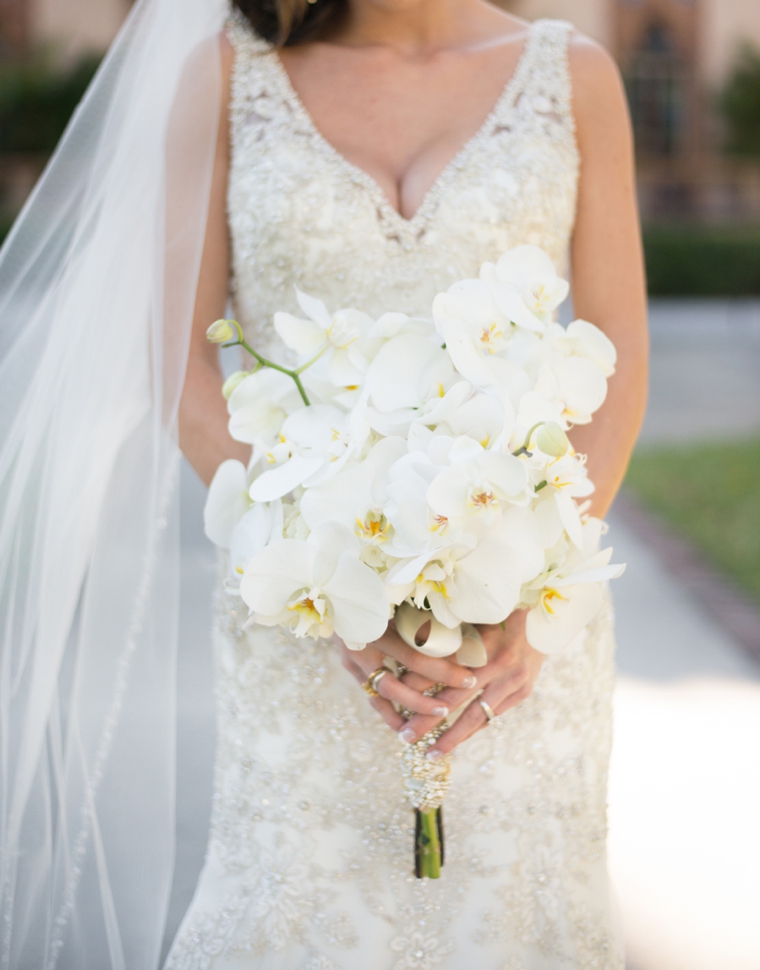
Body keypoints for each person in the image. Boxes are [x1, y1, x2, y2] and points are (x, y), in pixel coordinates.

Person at [0, 0, 646, 967]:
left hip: (516, 638)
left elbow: (619, 361)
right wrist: (318, 571)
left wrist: (529, 595)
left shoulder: (577, 77)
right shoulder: (228, 76)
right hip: (299, 610)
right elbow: (178, 357)